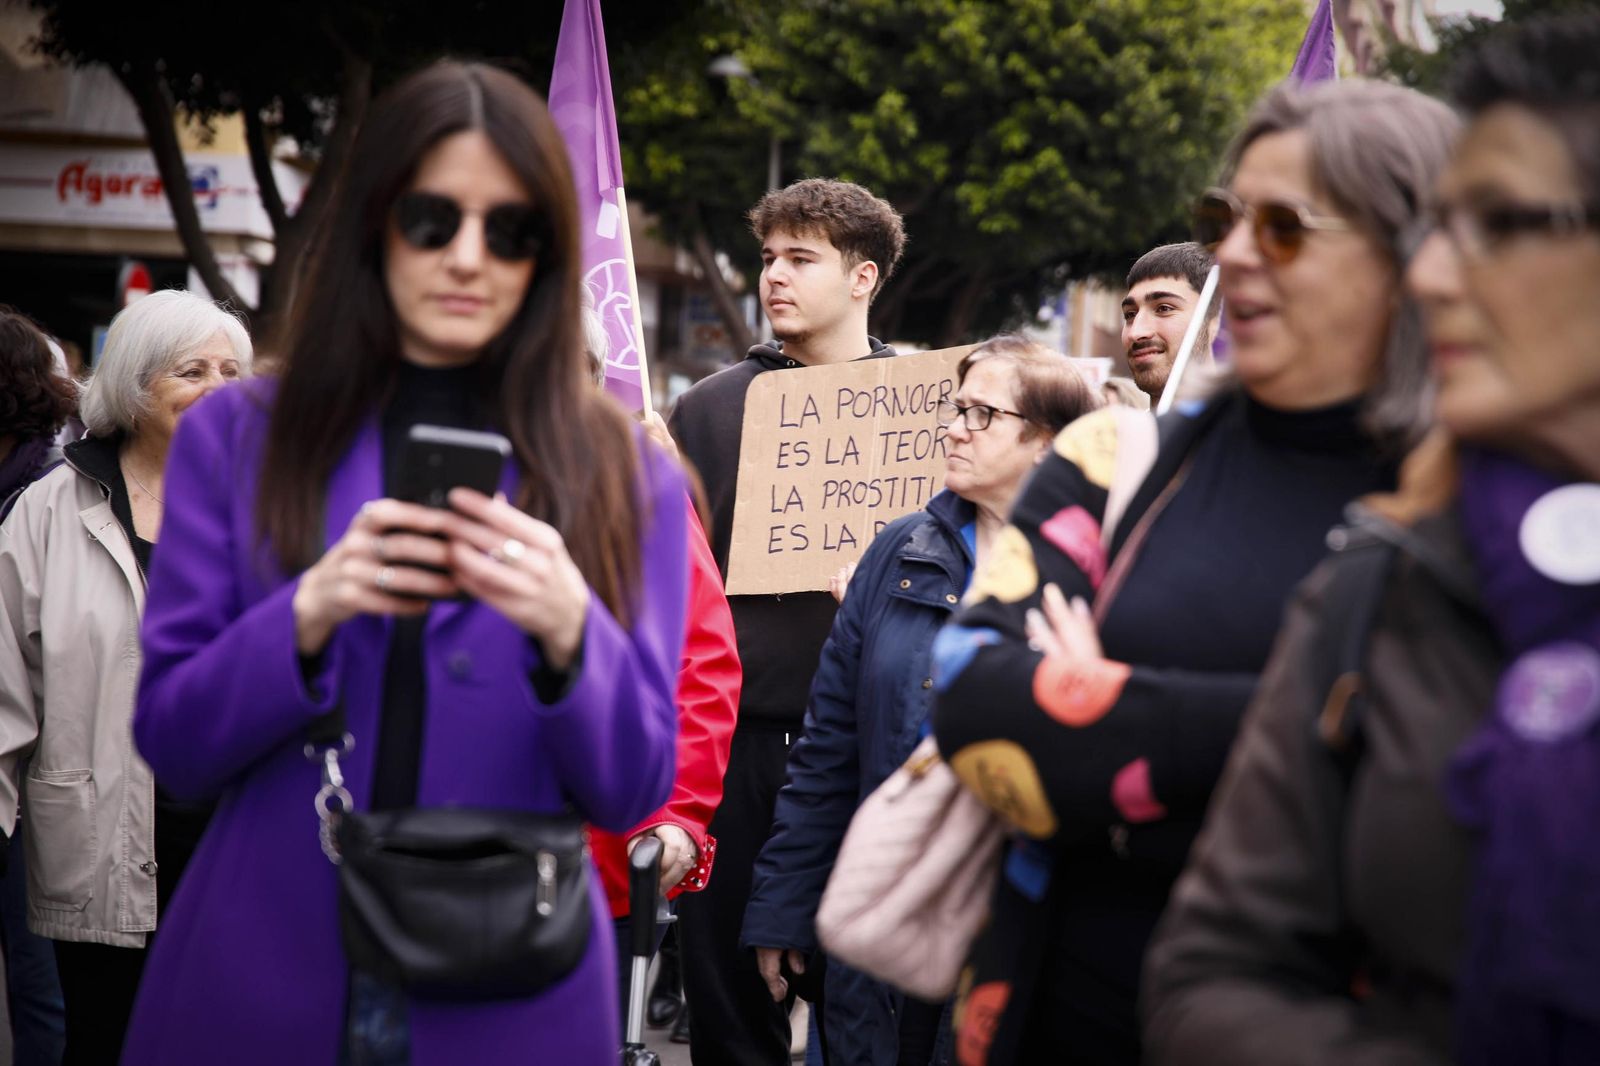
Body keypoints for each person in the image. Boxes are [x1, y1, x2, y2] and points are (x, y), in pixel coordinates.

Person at [119, 62, 687, 1066]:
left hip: (512, 990)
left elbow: (632, 782)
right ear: (376, 224)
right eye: (432, 219)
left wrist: (572, 632)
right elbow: (175, 742)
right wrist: (307, 614)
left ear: (547, 251)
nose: (468, 257)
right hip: (264, 969)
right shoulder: (240, 435)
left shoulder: (622, 470)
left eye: (509, 229)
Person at [930, 78, 1457, 1065]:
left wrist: (1099, 703)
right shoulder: (1116, 460)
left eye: (1284, 227)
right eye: (1226, 221)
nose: (1236, 254)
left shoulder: (1478, 502)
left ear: (1409, 254)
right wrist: (1326, 726)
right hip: (1061, 1016)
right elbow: (970, 695)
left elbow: (1457, 789)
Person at [1143, 15, 1600, 1066]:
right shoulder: (1390, 578)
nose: (1432, 273)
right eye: (1438, 226)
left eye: (1500, 223)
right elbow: (1208, 977)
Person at [743, 336, 1100, 1066]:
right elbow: (828, 749)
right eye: (956, 408)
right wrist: (783, 904)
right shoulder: (899, 552)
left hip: (1018, 938)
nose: (956, 428)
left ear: (1047, 443)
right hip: (883, 923)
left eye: (984, 414)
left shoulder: (1099, 573)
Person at [668, 176, 907, 1065]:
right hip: (732, 748)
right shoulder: (705, 408)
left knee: (864, 1007)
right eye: (768, 257)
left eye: (801, 259)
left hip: (866, 746)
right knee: (730, 1010)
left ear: (862, 277)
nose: (774, 276)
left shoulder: (929, 408)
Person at [0, 289, 251, 1064]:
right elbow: (6, 692)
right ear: (136, 387)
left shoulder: (276, 511)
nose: (217, 389)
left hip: (237, 850)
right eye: (191, 371)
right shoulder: (49, 511)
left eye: (231, 372)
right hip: (100, 849)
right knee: (106, 1043)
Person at [578, 298, 741, 1033]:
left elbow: (702, 662)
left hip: (600, 863)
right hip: (434, 862)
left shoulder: (644, 493)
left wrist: (677, 815)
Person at [1119, 243, 1219, 404]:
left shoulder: (1253, 419)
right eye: (1130, 314)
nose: (1136, 333)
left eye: (1164, 308)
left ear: (1217, 320)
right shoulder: (1110, 421)